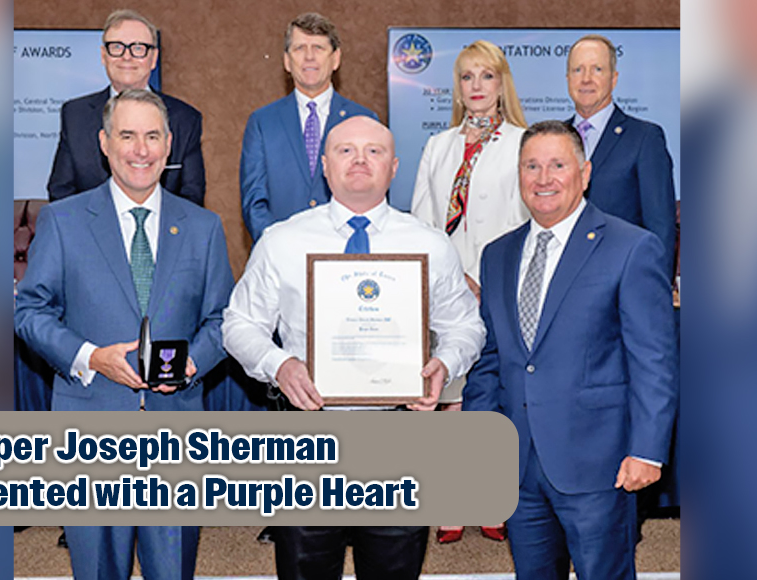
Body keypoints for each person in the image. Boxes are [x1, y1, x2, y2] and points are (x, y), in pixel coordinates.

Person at [224, 116, 485, 580]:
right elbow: (239, 324)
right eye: (346, 150)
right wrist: (279, 365)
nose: (360, 160)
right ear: (325, 166)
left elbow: (466, 326)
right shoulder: (282, 241)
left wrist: (445, 364)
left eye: (374, 151)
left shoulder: (430, 244)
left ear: (394, 167)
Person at [15, 89, 232, 580]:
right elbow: (30, 311)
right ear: (104, 143)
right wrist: (91, 357)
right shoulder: (63, 221)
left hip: (176, 431)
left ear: (169, 144)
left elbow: (223, 318)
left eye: (152, 136)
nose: (140, 149)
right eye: (127, 135)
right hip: (91, 425)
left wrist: (192, 362)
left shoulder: (203, 227)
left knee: (173, 569)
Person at [463, 120, 677, 580]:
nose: (544, 178)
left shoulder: (631, 247)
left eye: (558, 165)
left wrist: (647, 450)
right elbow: (490, 360)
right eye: (531, 166)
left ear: (585, 172)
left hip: (600, 465)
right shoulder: (497, 255)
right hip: (517, 465)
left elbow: (654, 361)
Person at [409, 39, 530, 544]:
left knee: (495, 394)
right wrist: (455, 277)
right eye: (466, 77)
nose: (476, 86)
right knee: (451, 396)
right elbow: (422, 223)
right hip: (448, 290)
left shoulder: (523, 143)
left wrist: (489, 276)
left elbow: (531, 220)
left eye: (486, 75)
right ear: (456, 88)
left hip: (507, 287)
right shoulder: (438, 146)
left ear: (502, 84)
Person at [239, 12, 378, 243]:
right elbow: (254, 202)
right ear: (287, 61)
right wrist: (278, 247)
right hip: (280, 253)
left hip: (344, 253)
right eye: (300, 48)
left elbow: (373, 194)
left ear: (336, 59)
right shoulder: (262, 122)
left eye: (318, 48)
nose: (309, 57)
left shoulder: (364, 120)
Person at [47, 9, 205, 206]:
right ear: (103, 55)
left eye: (138, 48)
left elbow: (191, 198)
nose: (126, 56)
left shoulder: (186, 119)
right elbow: (61, 193)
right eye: (117, 47)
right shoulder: (75, 115)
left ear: (153, 58)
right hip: (88, 225)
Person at [565, 34, 677, 278]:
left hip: (621, 282)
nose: (586, 78)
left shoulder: (644, 138)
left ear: (614, 79)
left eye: (597, 69)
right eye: (577, 70)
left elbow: (660, 226)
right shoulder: (554, 137)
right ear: (568, 79)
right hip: (561, 282)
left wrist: (655, 287)